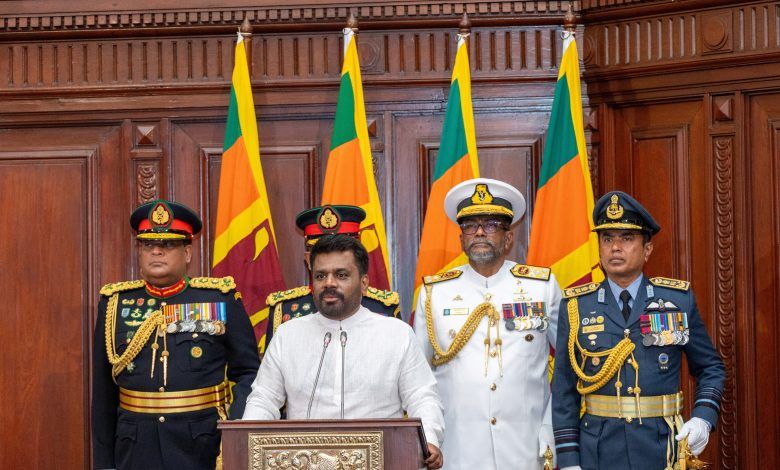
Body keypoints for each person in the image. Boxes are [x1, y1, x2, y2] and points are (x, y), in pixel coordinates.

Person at [552, 191, 725, 470]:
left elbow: (711, 367)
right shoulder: (576, 306)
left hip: (661, 448)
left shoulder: (676, 300)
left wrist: (703, 417)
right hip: (597, 449)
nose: (615, 248)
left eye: (627, 238)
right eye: (607, 239)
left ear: (647, 249)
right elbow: (563, 389)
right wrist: (569, 458)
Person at [243, 234, 444, 469]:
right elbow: (264, 399)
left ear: (365, 283)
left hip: (384, 460)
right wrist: (248, 442)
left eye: (341, 275)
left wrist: (429, 439)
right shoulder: (288, 335)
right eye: (320, 275)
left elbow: (422, 396)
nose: (329, 283)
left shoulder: (396, 334)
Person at [92, 199, 260, 470]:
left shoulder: (220, 300)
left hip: (202, 445)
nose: (156, 252)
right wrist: (104, 464)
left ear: (188, 252)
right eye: (148, 245)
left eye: (168, 245)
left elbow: (249, 373)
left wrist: (233, 431)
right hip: (135, 447)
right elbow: (103, 392)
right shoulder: (115, 303)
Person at [413, 178, 562, 470]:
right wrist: (428, 437)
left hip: (526, 447)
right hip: (456, 450)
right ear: (461, 238)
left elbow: (570, 366)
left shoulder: (541, 287)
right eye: (470, 225)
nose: (479, 232)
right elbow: (419, 380)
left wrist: (550, 428)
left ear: (508, 238)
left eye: (491, 224)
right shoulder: (434, 293)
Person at [264, 204, 400, 350]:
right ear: (309, 260)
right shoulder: (285, 309)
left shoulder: (382, 307)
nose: (330, 283)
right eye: (322, 253)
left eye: (341, 274)